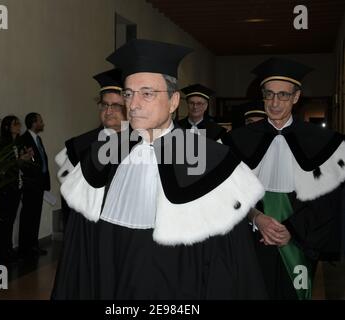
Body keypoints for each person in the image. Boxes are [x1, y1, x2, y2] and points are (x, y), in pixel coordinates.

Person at [52, 39, 267, 299]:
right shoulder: (101, 157)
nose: (133, 104)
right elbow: (80, 259)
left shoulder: (213, 161)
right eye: (128, 94)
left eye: (147, 93)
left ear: (174, 101)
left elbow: (229, 266)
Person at [222, 57, 345, 299]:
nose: (275, 103)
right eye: (269, 95)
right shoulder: (236, 141)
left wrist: (292, 229)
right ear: (263, 96)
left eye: (283, 95)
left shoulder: (325, 143)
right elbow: (226, 192)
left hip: (300, 239)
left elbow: (330, 199)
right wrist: (256, 219)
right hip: (252, 239)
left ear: (296, 97)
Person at [55, 68, 126, 227]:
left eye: (116, 106)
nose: (108, 111)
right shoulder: (81, 144)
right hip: (89, 227)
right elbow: (65, 182)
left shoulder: (143, 144)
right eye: (104, 105)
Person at [0, 115, 34, 264]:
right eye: (15, 124)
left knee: (11, 221)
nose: (19, 126)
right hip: (6, 188)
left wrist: (27, 157)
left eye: (19, 123)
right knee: (4, 222)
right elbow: (5, 167)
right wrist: (20, 160)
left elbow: (21, 166)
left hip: (17, 187)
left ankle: (9, 251)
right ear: (7, 127)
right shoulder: (3, 145)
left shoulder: (18, 143)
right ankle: (3, 254)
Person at [18, 113, 50, 259]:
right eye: (40, 121)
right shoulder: (24, 139)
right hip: (30, 183)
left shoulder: (38, 139)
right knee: (28, 216)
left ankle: (33, 245)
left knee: (35, 215)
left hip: (39, 183)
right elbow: (25, 163)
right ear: (33, 123)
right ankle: (26, 247)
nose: (43, 123)